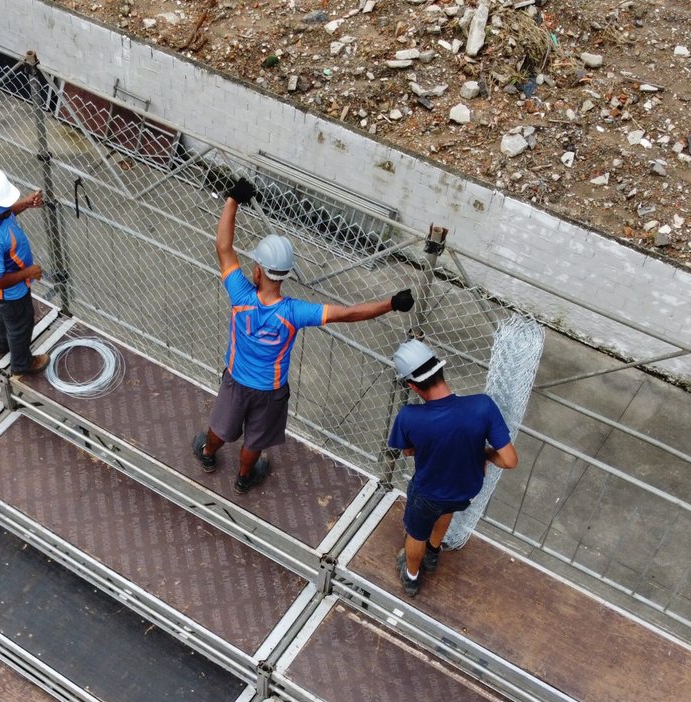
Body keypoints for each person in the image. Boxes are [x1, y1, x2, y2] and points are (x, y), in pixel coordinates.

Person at [192, 178, 415, 494]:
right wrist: (392, 303)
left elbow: (223, 247)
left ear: (258, 272)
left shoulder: (240, 293)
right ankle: (244, 477)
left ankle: (208, 454)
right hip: (270, 390)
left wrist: (232, 200)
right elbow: (349, 313)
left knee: (221, 425)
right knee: (254, 438)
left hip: (236, 381)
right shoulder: (296, 312)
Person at [387, 340, 518, 595]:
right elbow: (509, 460)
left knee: (415, 533)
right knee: (446, 512)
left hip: (429, 491)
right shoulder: (483, 405)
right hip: (465, 489)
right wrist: (485, 453)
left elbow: (407, 450)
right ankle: (433, 554)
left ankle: (412, 576)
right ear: (440, 370)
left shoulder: (409, 416)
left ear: (412, 386)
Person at [0, 165, 48, 375]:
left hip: (1, 295)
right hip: (11, 290)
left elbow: (5, 211)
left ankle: (1, 343)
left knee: (5, 315)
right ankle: (22, 364)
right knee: (21, 324)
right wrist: (28, 273)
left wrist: (26, 204)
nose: (9, 206)